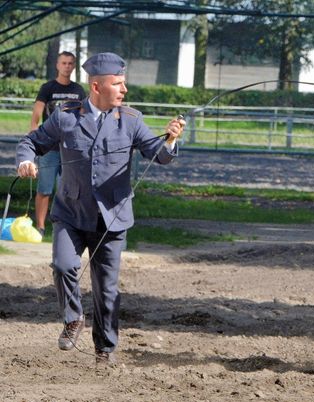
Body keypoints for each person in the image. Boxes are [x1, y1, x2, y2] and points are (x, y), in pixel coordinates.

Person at [16, 52, 186, 364]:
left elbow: (158, 154)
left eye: (124, 83)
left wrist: (172, 140)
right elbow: (32, 142)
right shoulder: (66, 117)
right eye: (117, 84)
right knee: (64, 266)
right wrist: (26, 161)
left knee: (106, 292)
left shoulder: (132, 120)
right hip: (70, 214)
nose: (124, 89)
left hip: (112, 220)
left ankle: (104, 350)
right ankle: (73, 318)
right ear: (97, 87)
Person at [30, 51, 86, 237]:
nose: (67, 66)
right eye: (64, 63)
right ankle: (40, 227)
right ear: (57, 65)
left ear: (74, 66)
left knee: (69, 190)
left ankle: (66, 226)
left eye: (70, 63)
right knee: (45, 188)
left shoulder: (78, 90)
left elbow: (85, 114)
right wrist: (33, 129)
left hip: (70, 148)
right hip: (49, 146)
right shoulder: (48, 88)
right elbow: (38, 110)